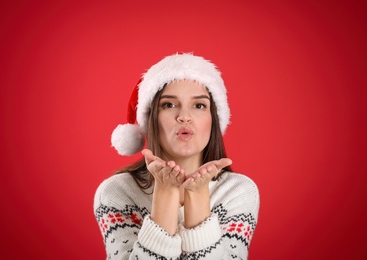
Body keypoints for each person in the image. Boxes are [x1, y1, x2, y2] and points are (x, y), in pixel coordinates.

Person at [94, 53, 260, 259]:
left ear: (213, 120)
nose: (184, 117)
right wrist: (165, 192)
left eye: (199, 105)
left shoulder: (238, 192)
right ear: (151, 118)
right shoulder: (117, 192)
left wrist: (198, 197)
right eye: (169, 105)